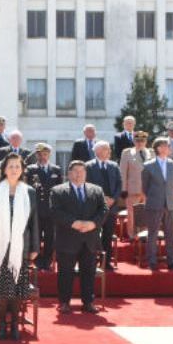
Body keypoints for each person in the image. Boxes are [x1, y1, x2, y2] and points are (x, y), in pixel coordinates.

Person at [0, 152, 39, 340]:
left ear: (22, 169)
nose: (14, 169)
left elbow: (34, 223)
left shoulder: (29, 191)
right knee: (3, 290)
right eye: (10, 166)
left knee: (18, 290)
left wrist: (35, 247)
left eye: (17, 166)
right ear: (4, 169)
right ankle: (2, 324)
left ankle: (15, 323)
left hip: (21, 248)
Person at [50, 161, 108, 314]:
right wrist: (73, 223)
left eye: (82, 171)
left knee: (88, 272)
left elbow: (103, 210)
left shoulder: (96, 190)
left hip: (90, 239)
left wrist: (93, 224)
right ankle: (64, 302)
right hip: (68, 238)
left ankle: (88, 302)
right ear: (68, 173)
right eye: (75, 171)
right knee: (65, 272)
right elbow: (55, 212)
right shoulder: (57, 191)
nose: (78, 174)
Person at [141, 138, 173, 271]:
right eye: (163, 146)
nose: (166, 148)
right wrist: (154, 197)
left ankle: (171, 261)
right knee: (153, 233)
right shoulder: (148, 165)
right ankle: (152, 261)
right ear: (157, 148)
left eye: (167, 146)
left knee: (170, 234)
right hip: (154, 203)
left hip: (169, 203)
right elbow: (145, 187)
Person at [24, 143, 63, 270]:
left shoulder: (56, 169)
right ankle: (36, 260)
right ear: (37, 155)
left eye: (45, 154)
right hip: (35, 209)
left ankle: (47, 260)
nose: (43, 157)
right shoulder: (30, 170)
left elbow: (60, 190)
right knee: (36, 236)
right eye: (40, 154)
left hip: (51, 209)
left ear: (49, 155)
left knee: (50, 237)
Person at [85, 141, 121, 270]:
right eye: (107, 149)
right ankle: (92, 261)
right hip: (95, 208)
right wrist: (101, 199)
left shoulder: (114, 166)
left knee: (108, 235)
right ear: (98, 151)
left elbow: (119, 184)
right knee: (93, 235)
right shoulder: (88, 166)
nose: (110, 152)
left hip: (111, 207)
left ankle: (106, 262)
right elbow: (86, 185)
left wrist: (113, 199)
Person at [119, 131, 153, 240]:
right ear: (134, 141)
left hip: (148, 190)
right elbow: (123, 172)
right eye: (137, 141)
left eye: (142, 141)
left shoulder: (151, 152)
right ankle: (132, 235)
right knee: (132, 214)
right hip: (132, 189)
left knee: (146, 213)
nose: (140, 143)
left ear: (146, 141)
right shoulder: (127, 153)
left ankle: (144, 234)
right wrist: (123, 189)